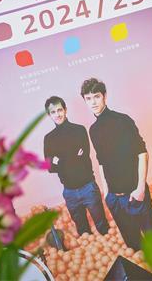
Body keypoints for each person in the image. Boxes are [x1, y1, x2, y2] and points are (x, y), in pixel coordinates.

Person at [81, 77, 152, 251]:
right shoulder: (93, 130)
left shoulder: (123, 120)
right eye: (88, 98)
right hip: (115, 199)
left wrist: (140, 189)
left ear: (104, 96)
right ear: (85, 100)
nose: (93, 102)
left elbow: (142, 153)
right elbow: (101, 162)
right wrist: (107, 193)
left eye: (96, 96)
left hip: (136, 194)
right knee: (134, 247)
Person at [42, 96, 110, 236]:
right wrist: (72, 157)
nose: (57, 114)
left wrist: (58, 160)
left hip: (88, 187)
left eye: (60, 110)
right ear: (49, 115)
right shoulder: (48, 139)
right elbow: (49, 167)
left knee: (103, 228)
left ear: (65, 110)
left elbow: (83, 156)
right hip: (69, 192)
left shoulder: (79, 130)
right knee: (83, 231)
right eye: (53, 112)